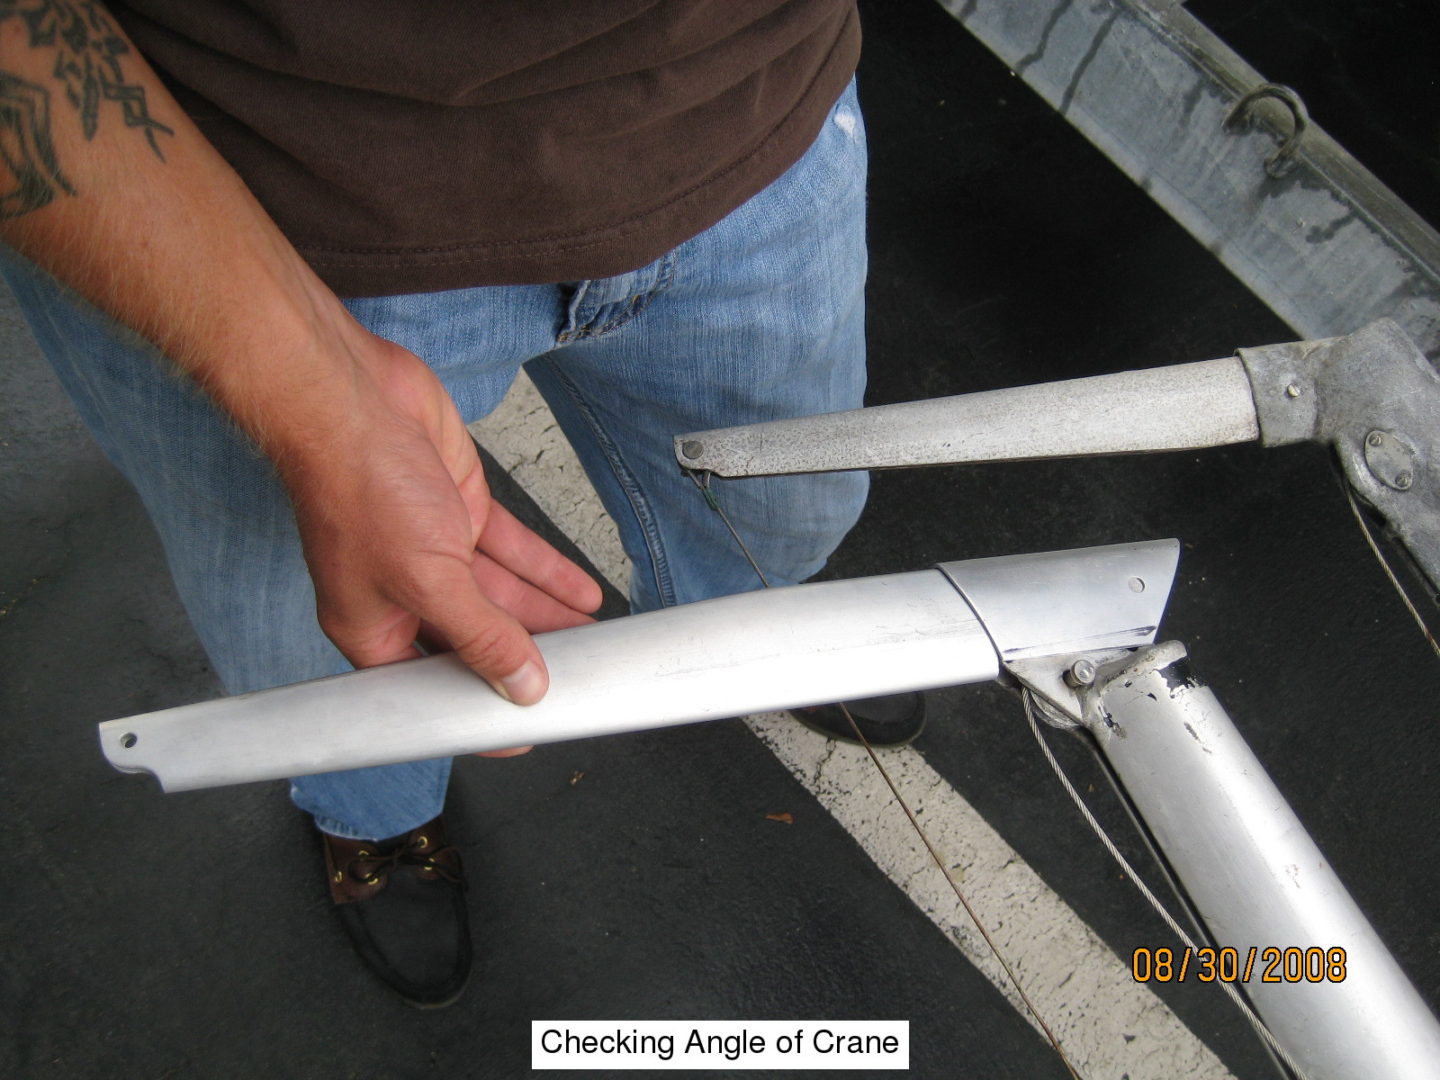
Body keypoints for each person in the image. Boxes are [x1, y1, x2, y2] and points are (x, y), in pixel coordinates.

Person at [0, 0, 921, 1008]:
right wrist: (314, 403)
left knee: (787, 512)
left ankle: (772, 620)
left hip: (754, 130)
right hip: (244, 209)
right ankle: (376, 809)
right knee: (322, 654)